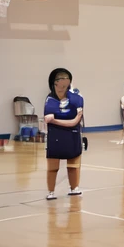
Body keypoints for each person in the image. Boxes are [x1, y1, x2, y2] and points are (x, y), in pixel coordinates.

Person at [44, 68, 84, 199]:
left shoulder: (76, 97)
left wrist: (56, 119)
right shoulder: (50, 99)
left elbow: (76, 120)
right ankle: (51, 191)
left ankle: (74, 188)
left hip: (72, 135)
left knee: (73, 164)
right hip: (55, 136)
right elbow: (47, 118)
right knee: (53, 166)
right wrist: (64, 118)